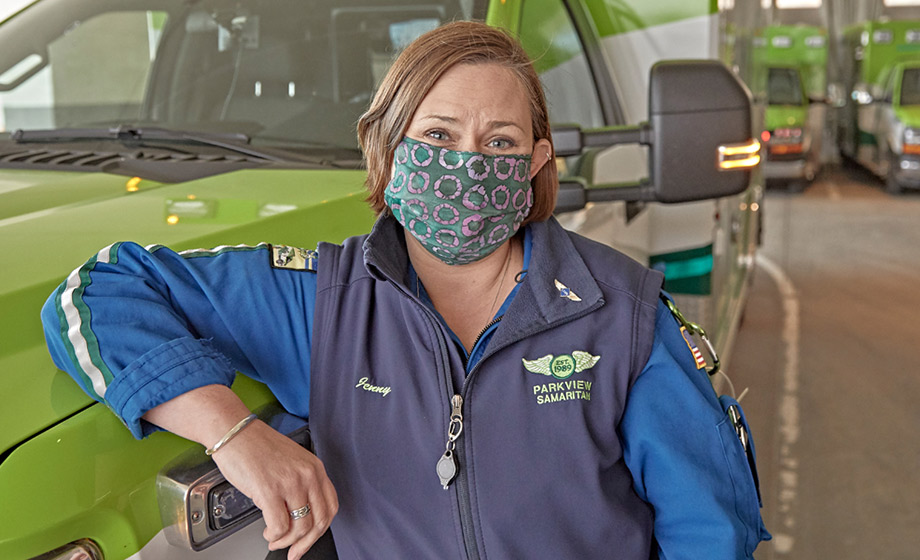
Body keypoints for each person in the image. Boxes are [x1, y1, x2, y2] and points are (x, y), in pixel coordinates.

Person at [42, 21, 769, 560]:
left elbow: (710, 529)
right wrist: (234, 435)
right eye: (439, 136)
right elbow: (94, 292)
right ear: (387, 152)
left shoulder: (621, 313)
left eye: (500, 144)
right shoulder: (319, 301)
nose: (466, 164)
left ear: (538, 161)